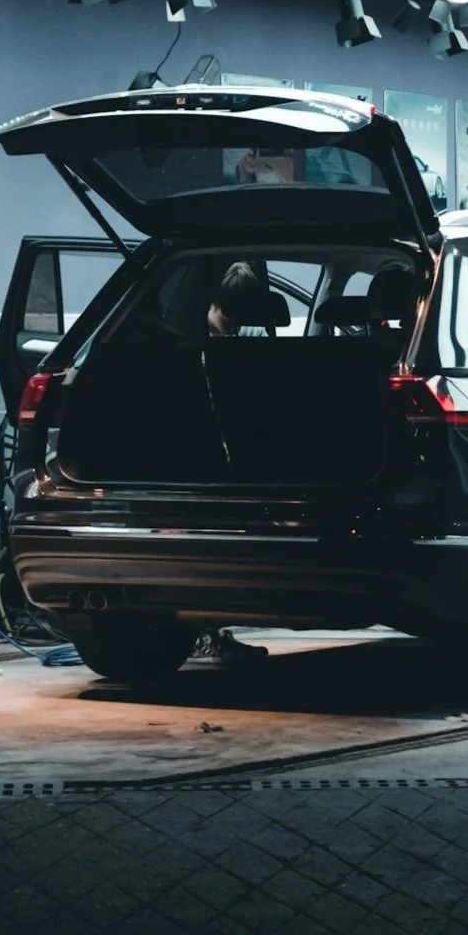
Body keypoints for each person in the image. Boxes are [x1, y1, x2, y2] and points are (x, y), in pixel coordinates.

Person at [194, 260, 271, 663]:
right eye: (230, 315)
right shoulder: (200, 352)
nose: (236, 325)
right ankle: (207, 634)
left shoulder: (239, 344)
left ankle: (211, 632)